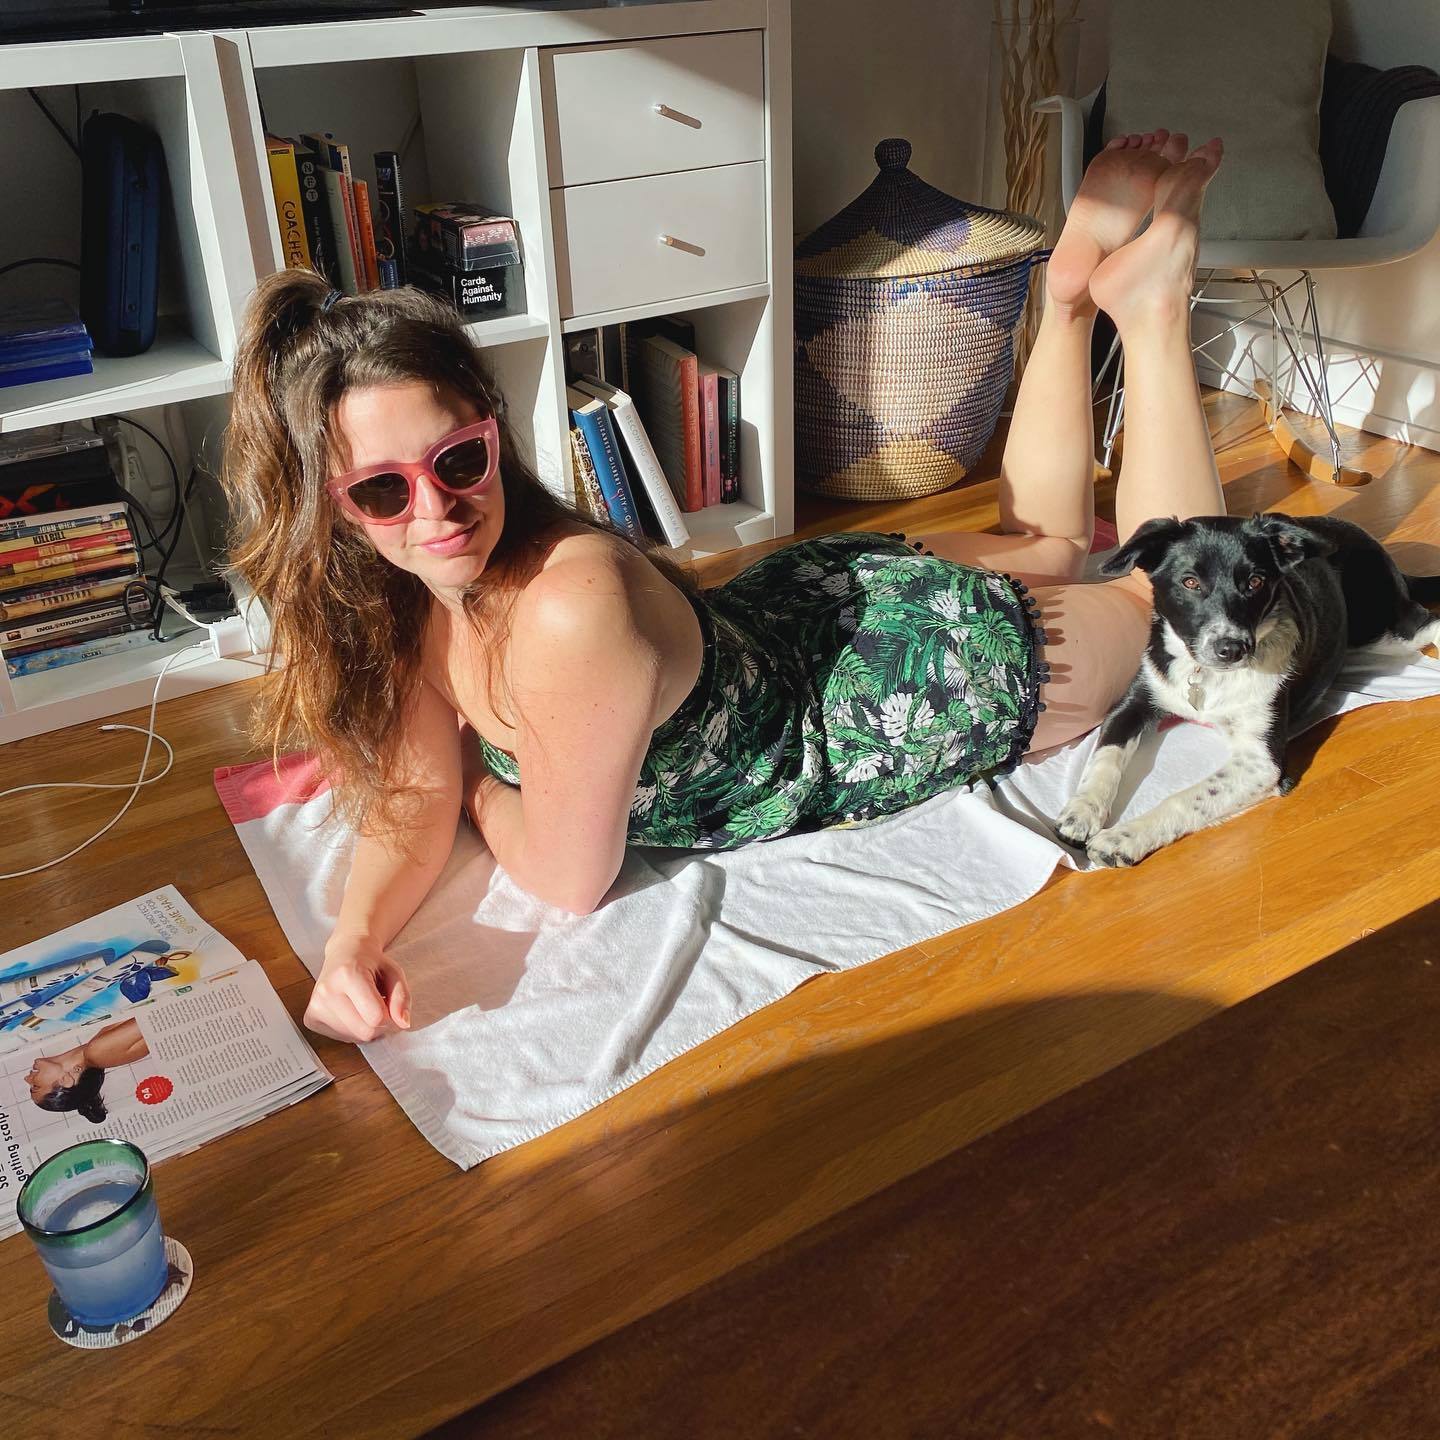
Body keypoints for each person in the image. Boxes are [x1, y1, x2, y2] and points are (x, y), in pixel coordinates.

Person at [225, 130, 1226, 1046]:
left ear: (493, 429)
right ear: (337, 510)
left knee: (1182, 604)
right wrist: (353, 941)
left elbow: (569, 879)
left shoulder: (566, 608)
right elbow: (412, 788)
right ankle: (1067, 297)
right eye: (384, 490)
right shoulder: (406, 591)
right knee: (1049, 544)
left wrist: (480, 782)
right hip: (800, 613)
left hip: (897, 683)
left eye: (458, 461)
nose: (435, 510)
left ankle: (1150, 311)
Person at [26, 1017, 150, 1124]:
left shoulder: (97, 1052)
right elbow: (151, 1012)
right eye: (35, 1086)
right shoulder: (97, 1053)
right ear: (65, 1080)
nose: (27, 1079)